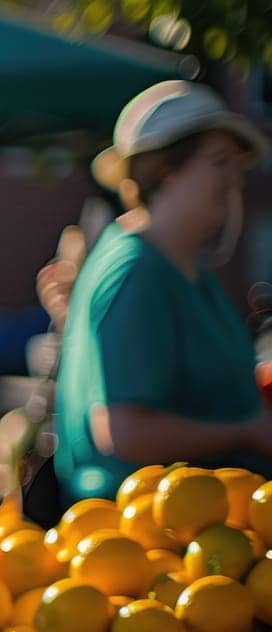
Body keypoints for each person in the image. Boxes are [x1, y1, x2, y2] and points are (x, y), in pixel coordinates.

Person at [54, 80, 272, 503]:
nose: (233, 181)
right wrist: (247, 431)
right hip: (146, 536)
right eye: (219, 162)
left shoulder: (180, 264)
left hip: (197, 520)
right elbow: (125, 432)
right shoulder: (138, 270)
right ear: (167, 168)